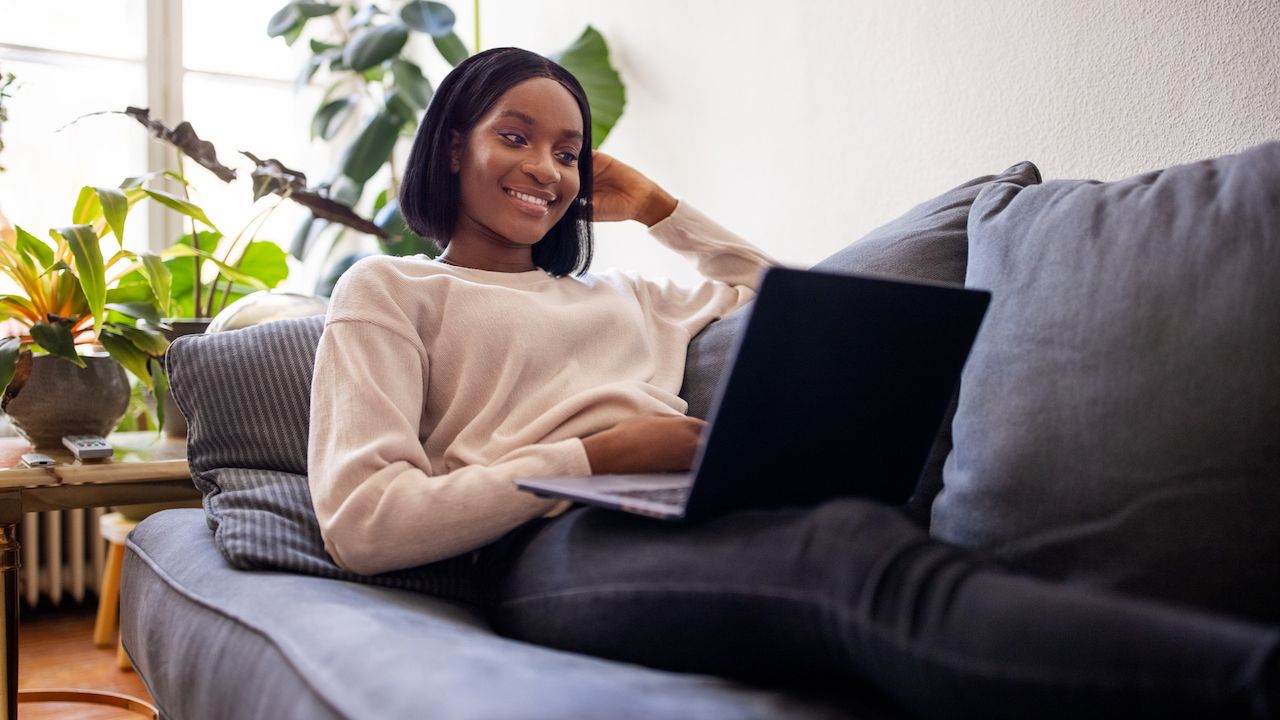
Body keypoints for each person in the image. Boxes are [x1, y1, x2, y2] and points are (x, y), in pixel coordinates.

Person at [308, 48, 1278, 719]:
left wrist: (657, 208)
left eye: (568, 151)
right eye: (515, 136)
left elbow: (790, 300)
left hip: (693, 501)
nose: (547, 169)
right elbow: (365, 522)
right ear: (450, 145)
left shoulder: (630, 295)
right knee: (843, 554)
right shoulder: (391, 288)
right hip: (547, 546)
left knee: (873, 532)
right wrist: (595, 454)